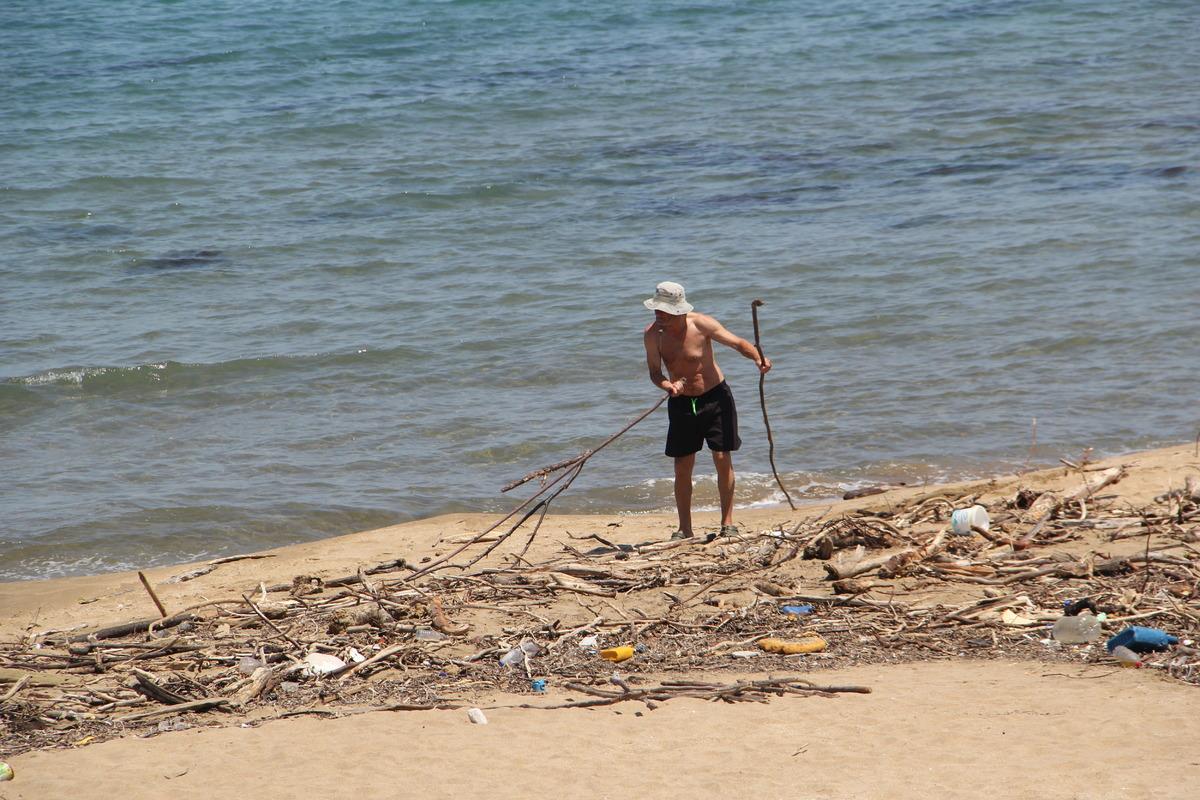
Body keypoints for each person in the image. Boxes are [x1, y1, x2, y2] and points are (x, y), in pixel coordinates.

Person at [642, 281, 771, 539]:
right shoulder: (652, 335)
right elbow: (655, 372)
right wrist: (667, 385)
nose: (658, 314)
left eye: (663, 311)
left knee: (722, 458)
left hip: (715, 397)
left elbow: (737, 343)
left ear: (678, 310)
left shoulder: (701, 324)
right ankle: (685, 529)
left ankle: (727, 523)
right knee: (682, 466)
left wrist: (758, 358)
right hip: (681, 402)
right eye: (656, 309)